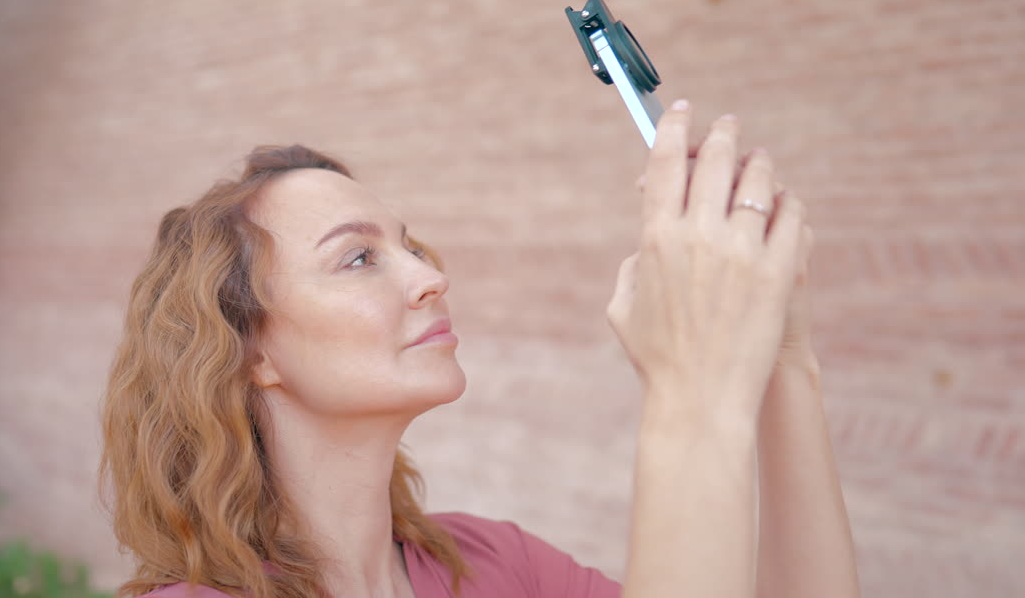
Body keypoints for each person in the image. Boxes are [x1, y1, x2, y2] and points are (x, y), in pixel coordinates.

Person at [98, 100, 860, 598]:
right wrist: (691, 388)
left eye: (412, 246)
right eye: (358, 259)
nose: (432, 277)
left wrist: (782, 359)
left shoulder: (497, 566)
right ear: (249, 352)